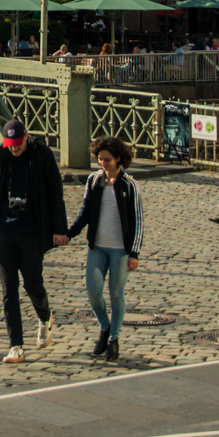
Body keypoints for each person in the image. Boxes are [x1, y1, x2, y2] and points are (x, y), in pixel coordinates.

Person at [0, 118, 68, 363]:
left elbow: (55, 193)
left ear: (25, 137)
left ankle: (45, 317)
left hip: (32, 231)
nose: (14, 148)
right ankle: (16, 346)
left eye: (17, 144)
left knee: (32, 283)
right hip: (4, 232)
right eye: (10, 144)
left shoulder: (41, 155)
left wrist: (60, 229)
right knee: (8, 291)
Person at [67, 136, 144, 360]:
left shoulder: (129, 185)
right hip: (98, 246)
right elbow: (85, 213)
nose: (102, 163)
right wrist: (69, 233)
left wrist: (134, 253)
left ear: (119, 159)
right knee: (93, 291)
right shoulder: (93, 181)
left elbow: (138, 220)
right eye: (99, 159)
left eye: (107, 160)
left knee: (116, 293)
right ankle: (104, 326)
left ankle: (114, 338)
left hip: (120, 249)